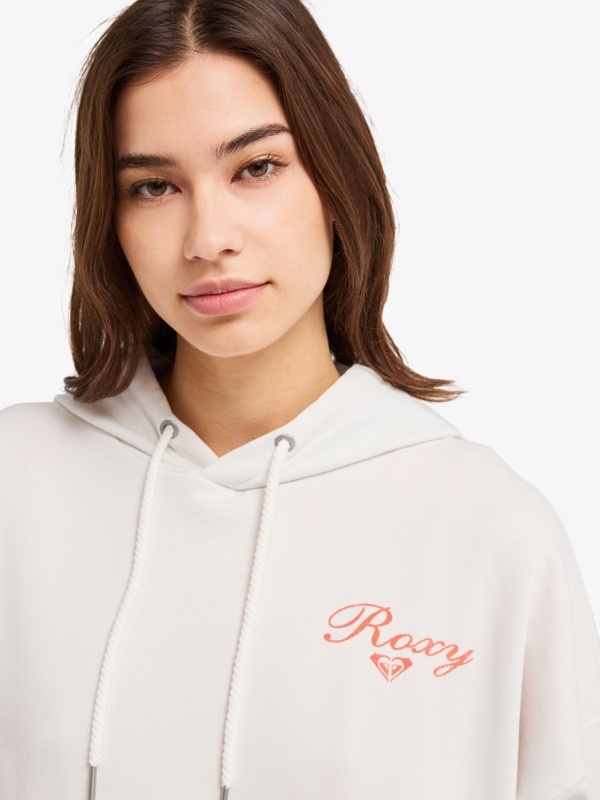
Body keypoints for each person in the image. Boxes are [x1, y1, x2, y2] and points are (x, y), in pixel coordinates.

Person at [1, 0, 599, 798]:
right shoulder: (17, 484)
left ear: (335, 176)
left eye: (256, 167)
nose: (208, 238)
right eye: (154, 186)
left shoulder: (490, 531)